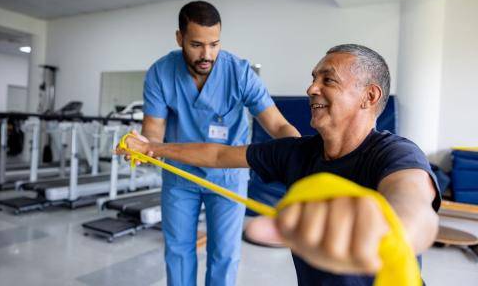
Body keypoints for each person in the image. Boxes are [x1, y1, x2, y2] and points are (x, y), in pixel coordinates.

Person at [119, 44, 440, 285]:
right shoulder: (296, 153)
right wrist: (153, 147)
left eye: (328, 79)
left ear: (369, 96)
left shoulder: (395, 153)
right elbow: (218, 155)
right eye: (314, 78)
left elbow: (413, 207)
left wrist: (385, 228)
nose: (311, 88)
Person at [140, 0, 300, 286]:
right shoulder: (160, 73)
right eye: (196, 44)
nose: (207, 54)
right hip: (180, 175)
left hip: (228, 176)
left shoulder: (238, 72)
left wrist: (303, 153)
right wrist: (144, 148)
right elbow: (153, 131)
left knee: (224, 254)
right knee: (178, 251)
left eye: (214, 44)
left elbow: (276, 124)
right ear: (179, 38)